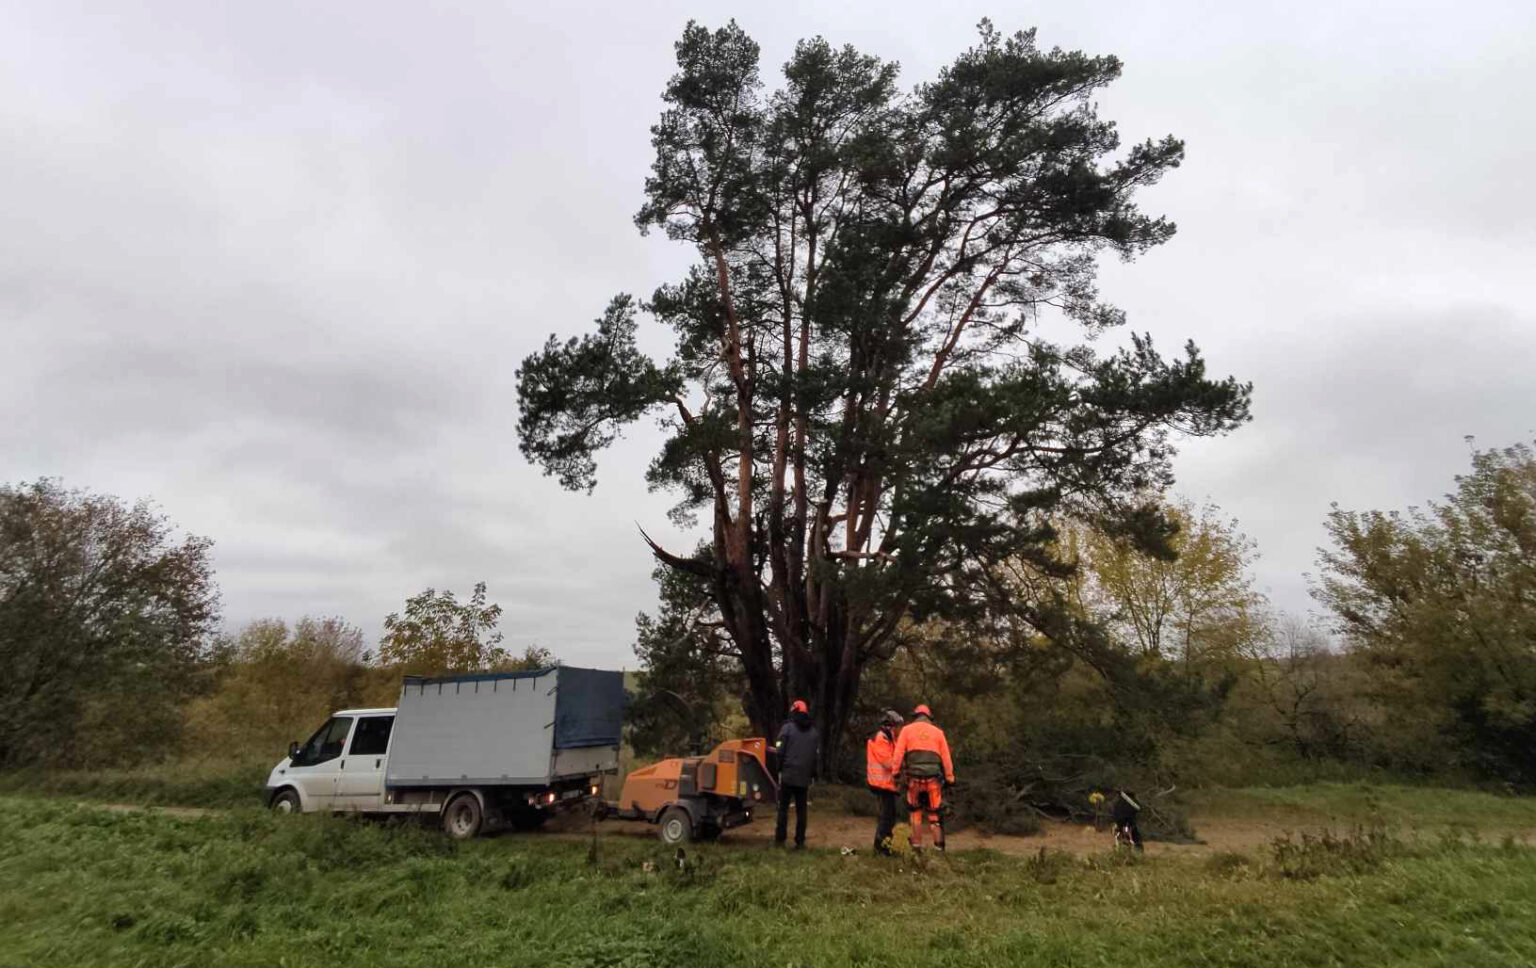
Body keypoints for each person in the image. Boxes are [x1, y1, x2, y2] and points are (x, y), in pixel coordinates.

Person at [891, 703, 954, 852]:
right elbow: (946, 758)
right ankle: (939, 849)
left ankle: (916, 848)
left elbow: (898, 754)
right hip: (933, 780)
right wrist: (950, 778)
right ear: (929, 717)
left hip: (914, 780)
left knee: (915, 813)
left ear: (916, 716)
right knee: (934, 815)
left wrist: (896, 773)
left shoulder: (906, 730)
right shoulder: (938, 733)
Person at [773, 699, 818, 849]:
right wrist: (812, 775)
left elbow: (779, 750)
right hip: (804, 777)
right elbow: (815, 757)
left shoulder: (787, 729)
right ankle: (800, 842)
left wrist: (778, 769)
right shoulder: (814, 732)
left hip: (788, 775)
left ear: (794, 710)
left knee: (783, 809)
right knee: (801, 810)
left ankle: (780, 840)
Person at [865, 710, 902, 855]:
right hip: (881, 784)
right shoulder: (881, 738)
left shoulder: (888, 737)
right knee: (886, 817)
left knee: (887, 816)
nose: (898, 729)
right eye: (896, 726)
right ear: (889, 725)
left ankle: (881, 846)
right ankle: (882, 848)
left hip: (885, 784)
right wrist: (902, 766)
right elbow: (888, 763)